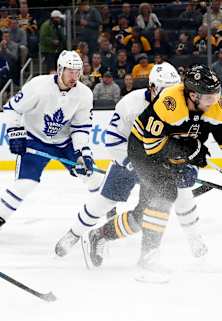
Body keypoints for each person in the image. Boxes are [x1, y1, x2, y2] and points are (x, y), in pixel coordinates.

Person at [81, 65, 222, 282]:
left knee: (143, 215)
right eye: (209, 96)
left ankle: (99, 235)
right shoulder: (170, 103)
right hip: (143, 152)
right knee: (165, 194)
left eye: (217, 93)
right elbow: (151, 145)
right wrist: (189, 152)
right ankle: (149, 256)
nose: (216, 100)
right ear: (193, 95)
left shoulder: (217, 106)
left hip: (174, 149)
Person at [54, 63, 186, 258]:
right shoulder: (131, 104)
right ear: (153, 87)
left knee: (145, 216)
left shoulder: (179, 106)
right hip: (127, 158)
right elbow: (113, 139)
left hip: (156, 165)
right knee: (104, 202)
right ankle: (73, 234)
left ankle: (101, 236)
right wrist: (132, 163)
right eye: (167, 90)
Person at [0, 50, 103, 229]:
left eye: (78, 71)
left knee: (91, 175)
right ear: (59, 69)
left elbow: (80, 127)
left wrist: (82, 153)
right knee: (25, 184)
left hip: (65, 142)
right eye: (70, 71)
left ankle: (106, 209)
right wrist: (16, 132)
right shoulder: (38, 86)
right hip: (35, 140)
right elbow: (11, 108)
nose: (75, 76)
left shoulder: (84, 93)